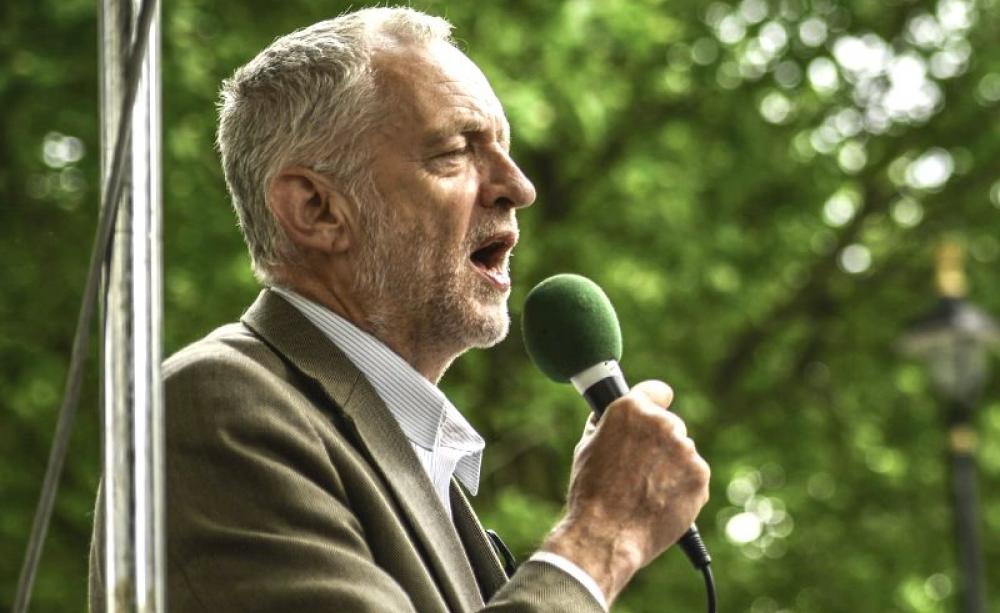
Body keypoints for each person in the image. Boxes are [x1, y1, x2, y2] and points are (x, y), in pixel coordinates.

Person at [88, 7, 710, 612]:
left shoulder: (408, 451)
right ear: (316, 210)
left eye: (504, 148)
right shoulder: (218, 406)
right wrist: (600, 537)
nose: (518, 187)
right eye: (456, 151)